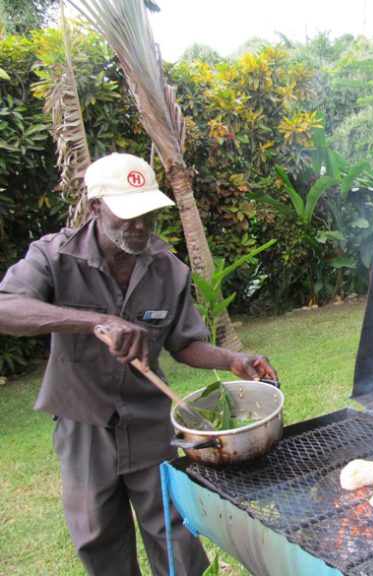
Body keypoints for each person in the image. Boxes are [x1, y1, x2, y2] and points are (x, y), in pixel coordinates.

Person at [0, 152, 278, 576]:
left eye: (147, 211)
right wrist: (97, 322)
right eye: (128, 213)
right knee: (97, 536)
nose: (140, 225)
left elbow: (185, 343)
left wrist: (233, 359)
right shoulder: (54, 256)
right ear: (95, 208)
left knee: (175, 530)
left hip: (150, 421)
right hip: (83, 420)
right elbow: (7, 309)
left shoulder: (168, 269)